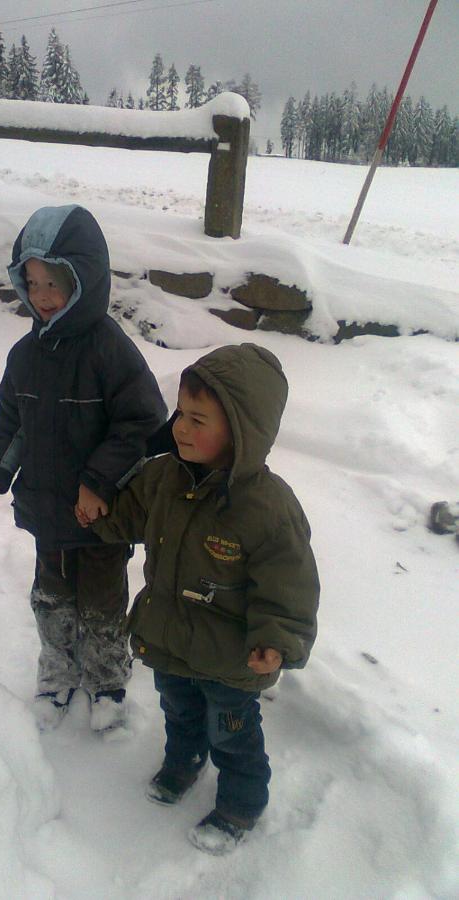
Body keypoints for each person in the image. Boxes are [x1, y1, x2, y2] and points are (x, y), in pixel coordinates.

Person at [77, 343, 319, 854]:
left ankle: (242, 801)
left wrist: (276, 641)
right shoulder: (163, 476)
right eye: (181, 414)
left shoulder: (267, 507)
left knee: (232, 732)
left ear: (241, 430)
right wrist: (102, 516)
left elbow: (288, 585)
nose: (181, 428)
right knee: (179, 711)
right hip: (169, 637)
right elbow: (131, 516)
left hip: (230, 656)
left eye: (198, 419)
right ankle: (184, 761)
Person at [0, 204, 166, 734]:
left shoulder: (110, 351)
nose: (41, 295)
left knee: (102, 602)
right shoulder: (24, 355)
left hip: (99, 515)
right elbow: (13, 420)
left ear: (85, 279)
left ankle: (106, 679)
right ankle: (57, 672)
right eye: (32, 282)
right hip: (47, 507)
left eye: (54, 282)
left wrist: (98, 482)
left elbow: (141, 422)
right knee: (52, 598)